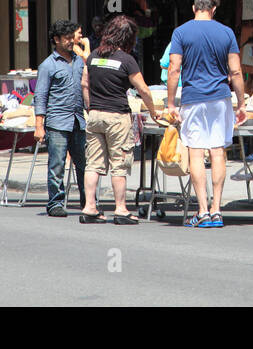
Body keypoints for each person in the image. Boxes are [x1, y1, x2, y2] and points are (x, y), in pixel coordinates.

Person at [166, 0, 245, 228]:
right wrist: (241, 104)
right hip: (220, 99)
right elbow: (236, 72)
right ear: (214, 9)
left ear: (194, 8)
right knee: (218, 152)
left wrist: (170, 102)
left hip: (192, 99)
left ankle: (202, 211)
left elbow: (173, 69)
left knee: (197, 153)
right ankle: (217, 210)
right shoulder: (226, 32)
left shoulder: (181, 32)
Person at [80, 15, 161, 225]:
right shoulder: (126, 59)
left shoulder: (93, 56)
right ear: (128, 38)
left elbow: (84, 85)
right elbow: (142, 89)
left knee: (93, 164)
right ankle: (121, 209)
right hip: (117, 116)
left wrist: (91, 107)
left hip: (95, 115)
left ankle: (89, 208)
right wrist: (153, 111)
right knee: (119, 165)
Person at [34, 19, 89, 217]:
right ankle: (55, 202)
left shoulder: (79, 60)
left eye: (71, 38)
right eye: (66, 39)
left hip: (78, 120)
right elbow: (40, 96)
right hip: (57, 122)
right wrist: (39, 126)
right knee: (57, 164)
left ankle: (88, 201)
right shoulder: (48, 65)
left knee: (84, 165)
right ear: (56, 40)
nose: (70, 42)